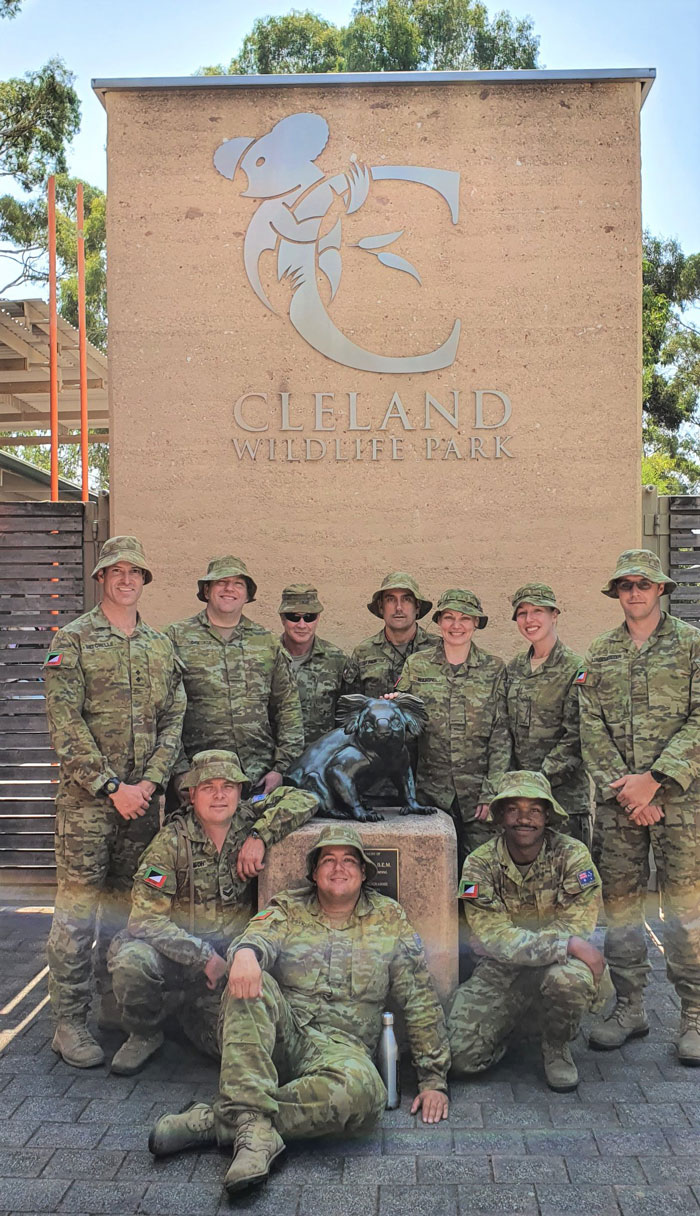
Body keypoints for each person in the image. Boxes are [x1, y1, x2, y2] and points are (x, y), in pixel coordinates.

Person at [148, 824, 450, 1197]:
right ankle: (254, 1133)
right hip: (284, 1039)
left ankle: (226, 1122)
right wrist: (246, 954)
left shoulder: (389, 919)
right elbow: (257, 936)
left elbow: (418, 996)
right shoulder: (290, 907)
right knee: (250, 982)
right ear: (313, 872)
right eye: (328, 860)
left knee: (364, 1096)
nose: (339, 868)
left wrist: (433, 1079)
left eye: (349, 861)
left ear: (364, 872)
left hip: (342, 1054)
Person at [43, 536, 186, 1069]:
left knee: (134, 911)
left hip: (143, 805)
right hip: (88, 805)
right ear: (102, 578)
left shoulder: (158, 644)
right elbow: (65, 724)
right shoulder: (72, 639)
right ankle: (69, 1022)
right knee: (79, 914)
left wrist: (149, 783)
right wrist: (110, 786)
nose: (125, 579)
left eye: (135, 572)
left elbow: (175, 717)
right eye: (116, 571)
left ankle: (123, 1013)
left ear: (144, 580)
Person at [107, 750, 318, 1075]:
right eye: (209, 787)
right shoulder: (170, 844)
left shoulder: (248, 820)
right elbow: (146, 920)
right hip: (176, 960)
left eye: (228, 786)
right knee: (133, 961)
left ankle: (187, 1016)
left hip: (225, 970)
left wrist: (260, 837)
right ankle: (144, 1032)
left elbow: (304, 798)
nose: (220, 795)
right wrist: (203, 958)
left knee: (240, 1052)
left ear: (239, 791)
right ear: (191, 794)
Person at [579, 549, 700, 1064]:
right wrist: (629, 792)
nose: (634, 592)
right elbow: (591, 729)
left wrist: (655, 781)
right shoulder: (600, 653)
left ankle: (693, 1015)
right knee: (622, 907)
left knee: (685, 910)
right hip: (619, 807)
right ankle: (630, 1007)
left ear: (661, 590)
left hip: (682, 803)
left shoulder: (693, 645)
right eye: (625, 585)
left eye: (643, 584)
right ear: (617, 593)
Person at [447, 771, 608, 1092]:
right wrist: (572, 945)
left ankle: (556, 1046)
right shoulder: (478, 864)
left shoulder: (573, 855)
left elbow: (578, 924)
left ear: (547, 815)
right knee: (457, 1057)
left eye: (534, 810)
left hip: (558, 966)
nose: (524, 819)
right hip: (501, 969)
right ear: (501, 815)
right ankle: (518, 1027)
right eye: (514, 809)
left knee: (570, 980)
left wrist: (564, 945)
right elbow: (494, 936)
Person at [165, 556, 304, 798]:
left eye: (238, 584)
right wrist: (180, 772)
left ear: (247, 594)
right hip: (199, 779)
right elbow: (163, 710)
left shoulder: (266, 642)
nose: (230, 589)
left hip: (257, 778)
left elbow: (287, 707)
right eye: (222, 582)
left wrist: (281, 768)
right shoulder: (175, 638)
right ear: (206, 590)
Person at [395, 589, 511, 861]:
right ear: (438, 622)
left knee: (478, 875)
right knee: (430, 873)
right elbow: (405, 729)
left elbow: (501, 735)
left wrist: (492, 791)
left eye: (464, 618)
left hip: (478, 798)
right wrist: (392, 710)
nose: (456, 625)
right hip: (431, 797)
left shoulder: (494, 669)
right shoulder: (417, 665)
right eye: (448, 617)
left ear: (476, 623)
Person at [505, 583, 591, 846]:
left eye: (537, 611)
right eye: (522, 613)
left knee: (569, 880)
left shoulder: (576, 668)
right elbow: (504, 731)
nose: (529, 620)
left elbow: (576, 736)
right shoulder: (515, 668)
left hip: (563, 801)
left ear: (554, 615)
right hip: (519, 803)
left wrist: (536, 782)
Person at [341, 572, 436, 697]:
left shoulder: (438, 649)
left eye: (406, 599)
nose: (398, 607)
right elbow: (352, 708)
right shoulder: (363, 653)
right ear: (381, 607)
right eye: (391, 599)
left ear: (417, 606)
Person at [278, 583, 346, 744]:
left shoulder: (337, 660)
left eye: (309, 617)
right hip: (274, 763)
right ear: (282, 618)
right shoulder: (266, 658)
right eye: (294, 617)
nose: (302, 625)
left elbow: (346, 717)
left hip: (320, 761)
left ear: (318, 618)